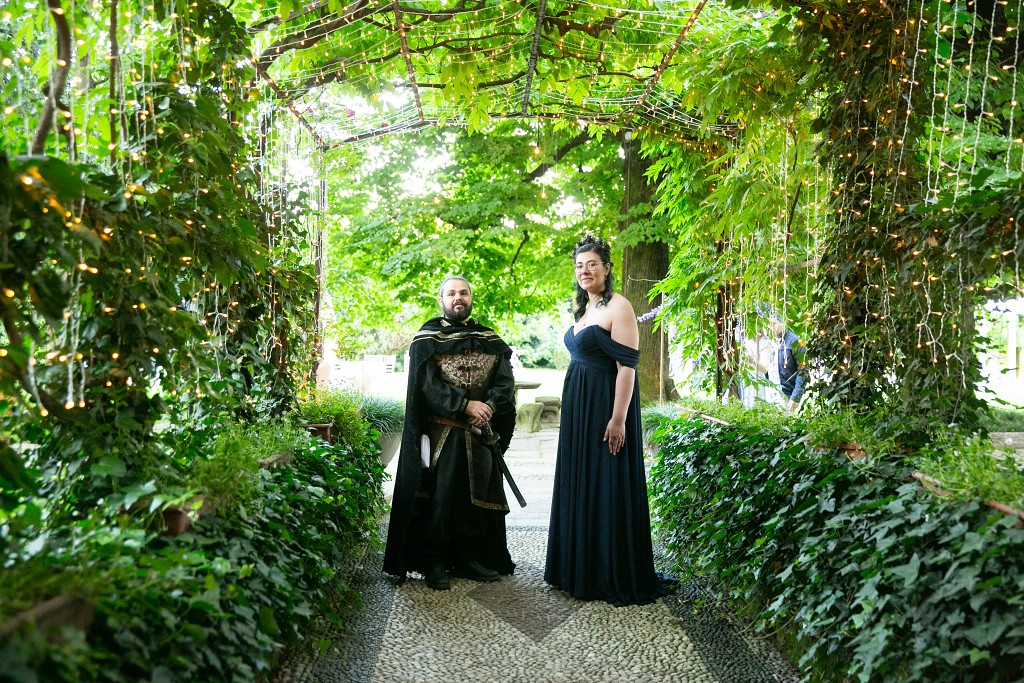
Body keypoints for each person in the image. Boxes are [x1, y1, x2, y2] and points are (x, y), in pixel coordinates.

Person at [544, 234, 670, 607]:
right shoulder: (584, 309)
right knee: (580, 479)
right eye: (579, 265)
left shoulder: (620, 306)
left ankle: (606, 572)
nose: (585, 271)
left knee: (605, 483)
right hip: (579, 410)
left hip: (605, 407)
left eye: (592, 264)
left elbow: (627, 368)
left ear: (606, 268)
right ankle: (577, 568)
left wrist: (618, 419)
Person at [382, 276, 517, 591]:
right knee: (441, 496)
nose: (459, 297)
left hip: (480, 432)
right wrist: (465, 405)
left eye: (464, 293)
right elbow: (428, 386)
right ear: (441, 300)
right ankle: (434, 562)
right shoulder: (428, 339)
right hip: (443, 432)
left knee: (476, 499)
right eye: (452, 293)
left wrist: (489, 407)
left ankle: (469, 558)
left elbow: (504, 382)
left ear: (471, 298)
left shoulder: (490, 339)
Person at [751, 315, 807, 412]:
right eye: (768, 324)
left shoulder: (796, 342)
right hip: (771, 393)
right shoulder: (771, 342)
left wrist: (796, 396)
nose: (770, 327)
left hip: (787, 395)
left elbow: (803, 370)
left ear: (783, 323)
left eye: (773, 324)